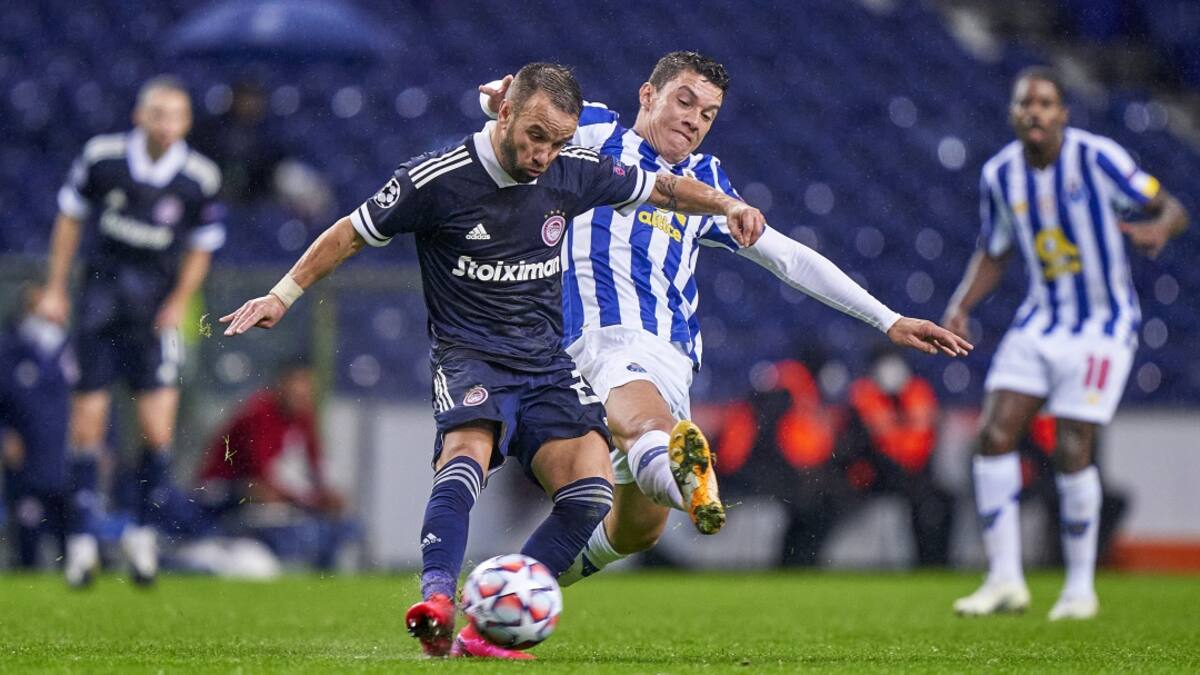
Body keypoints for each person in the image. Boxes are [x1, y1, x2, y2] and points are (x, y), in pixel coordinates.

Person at [220, 62, 767, 659]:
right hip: (471, 357)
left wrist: (726, 204)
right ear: (503, 111)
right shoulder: (437, 179)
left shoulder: (570, 171)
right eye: (536, 136)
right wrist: (282, 294)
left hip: (546, 364)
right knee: (467, 455)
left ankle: (486, 623)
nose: (544, 155)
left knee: (591, 490)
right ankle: (435, 599)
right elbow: (351, 232)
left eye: (559, 142)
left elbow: (662, 187)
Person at [480, 52, 973, 585]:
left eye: (708, 114)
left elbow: (788, 257)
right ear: (649, 95)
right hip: (598, 336)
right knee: (646, 424)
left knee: (636, 531)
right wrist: (497, 103)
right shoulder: (596, 130)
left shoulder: (708, 183)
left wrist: (888, 319)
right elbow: (515, 120)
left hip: (671, 356)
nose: (694, 120)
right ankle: (686, 475)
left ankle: (510, 590)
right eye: (684, 101)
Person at [942, 66, 1188, 620]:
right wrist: (961, 305)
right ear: (1014, 113)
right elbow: (996, 249)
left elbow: (1169, 205)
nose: (1035, 111)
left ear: (1063, 114)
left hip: (1103, 324)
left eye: (1047, 103)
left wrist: (1157, 230)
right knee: (993, 433)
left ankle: (1080, 587)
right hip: (1041, 320)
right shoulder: (1000, 174)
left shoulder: (1097, 157)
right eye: (1026, 103)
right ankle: (1004, 579)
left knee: (1073, 447)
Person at [35, 76, 226, 587]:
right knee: (88, 427)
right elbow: (70, 218)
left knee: (157, 429)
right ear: (140, 116)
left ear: (186, 122)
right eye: (158, 114)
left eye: (176, 115)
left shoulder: (198, 177)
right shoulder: (103, 159)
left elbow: (201, 247)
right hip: (99, 303)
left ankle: (141, 535)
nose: (167, 124)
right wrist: (56, 287)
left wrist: (180, 303)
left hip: (153, 313)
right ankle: (80, 541)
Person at [196, 361, 352, 570]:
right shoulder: (259, 413)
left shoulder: (303, 416)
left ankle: (323, 569)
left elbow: (316, 464)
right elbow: (260, 472)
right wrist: (308, 500)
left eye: (308, 389)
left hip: (265, 488)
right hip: (222, 488)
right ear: (282, 384)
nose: (303, 395)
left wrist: (324, 494)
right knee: (264, 493)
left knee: (333, 508)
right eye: (298, 386)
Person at [840, 346, 955, 566]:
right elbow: (861, 447)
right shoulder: (862, 395)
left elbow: (925, 442)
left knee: (939, 502)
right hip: (875, 476)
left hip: (912, 473)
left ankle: (933, 565)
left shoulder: (918, 393)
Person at [1, 287, 73, 568]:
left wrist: (106, 443)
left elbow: (98, 403)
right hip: (26, 464)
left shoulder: (74, 348)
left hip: (67, 462)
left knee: (71, 544)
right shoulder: (8, 348)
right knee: (27, 543)